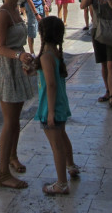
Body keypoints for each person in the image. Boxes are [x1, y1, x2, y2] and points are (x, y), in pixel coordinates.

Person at [0, 0, 35, 189]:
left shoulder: (16, 9)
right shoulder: (3, 13)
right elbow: (1, 47)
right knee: (9, 122)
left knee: (16, 119)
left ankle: (12, 156)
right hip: (6, 67)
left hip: (18, 65)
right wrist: (19, 55)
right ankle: (3, 173)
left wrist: (25, 58)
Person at [34, 16, 79, 195]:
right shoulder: (55, 53)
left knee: (56, 145)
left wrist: (50, 112)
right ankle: (71, 165)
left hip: (50, 106)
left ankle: (61, 183)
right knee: (62, 136)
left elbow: (51, 84)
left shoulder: (46, 56)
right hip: (60, 103)